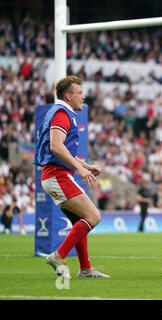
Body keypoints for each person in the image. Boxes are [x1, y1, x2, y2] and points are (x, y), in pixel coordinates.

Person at [34, 75, 110, 279]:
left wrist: (86, 165)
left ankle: (85, 269)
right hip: (57, 175)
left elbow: (64, 150)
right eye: (79, 93)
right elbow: (56, 147)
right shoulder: (61, 114)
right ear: (68, 96)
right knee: (93, 217)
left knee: (80, 220)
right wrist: (80, 169)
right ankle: (58, 255)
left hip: (55, 175)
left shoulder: (63, 114)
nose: (83, 97)